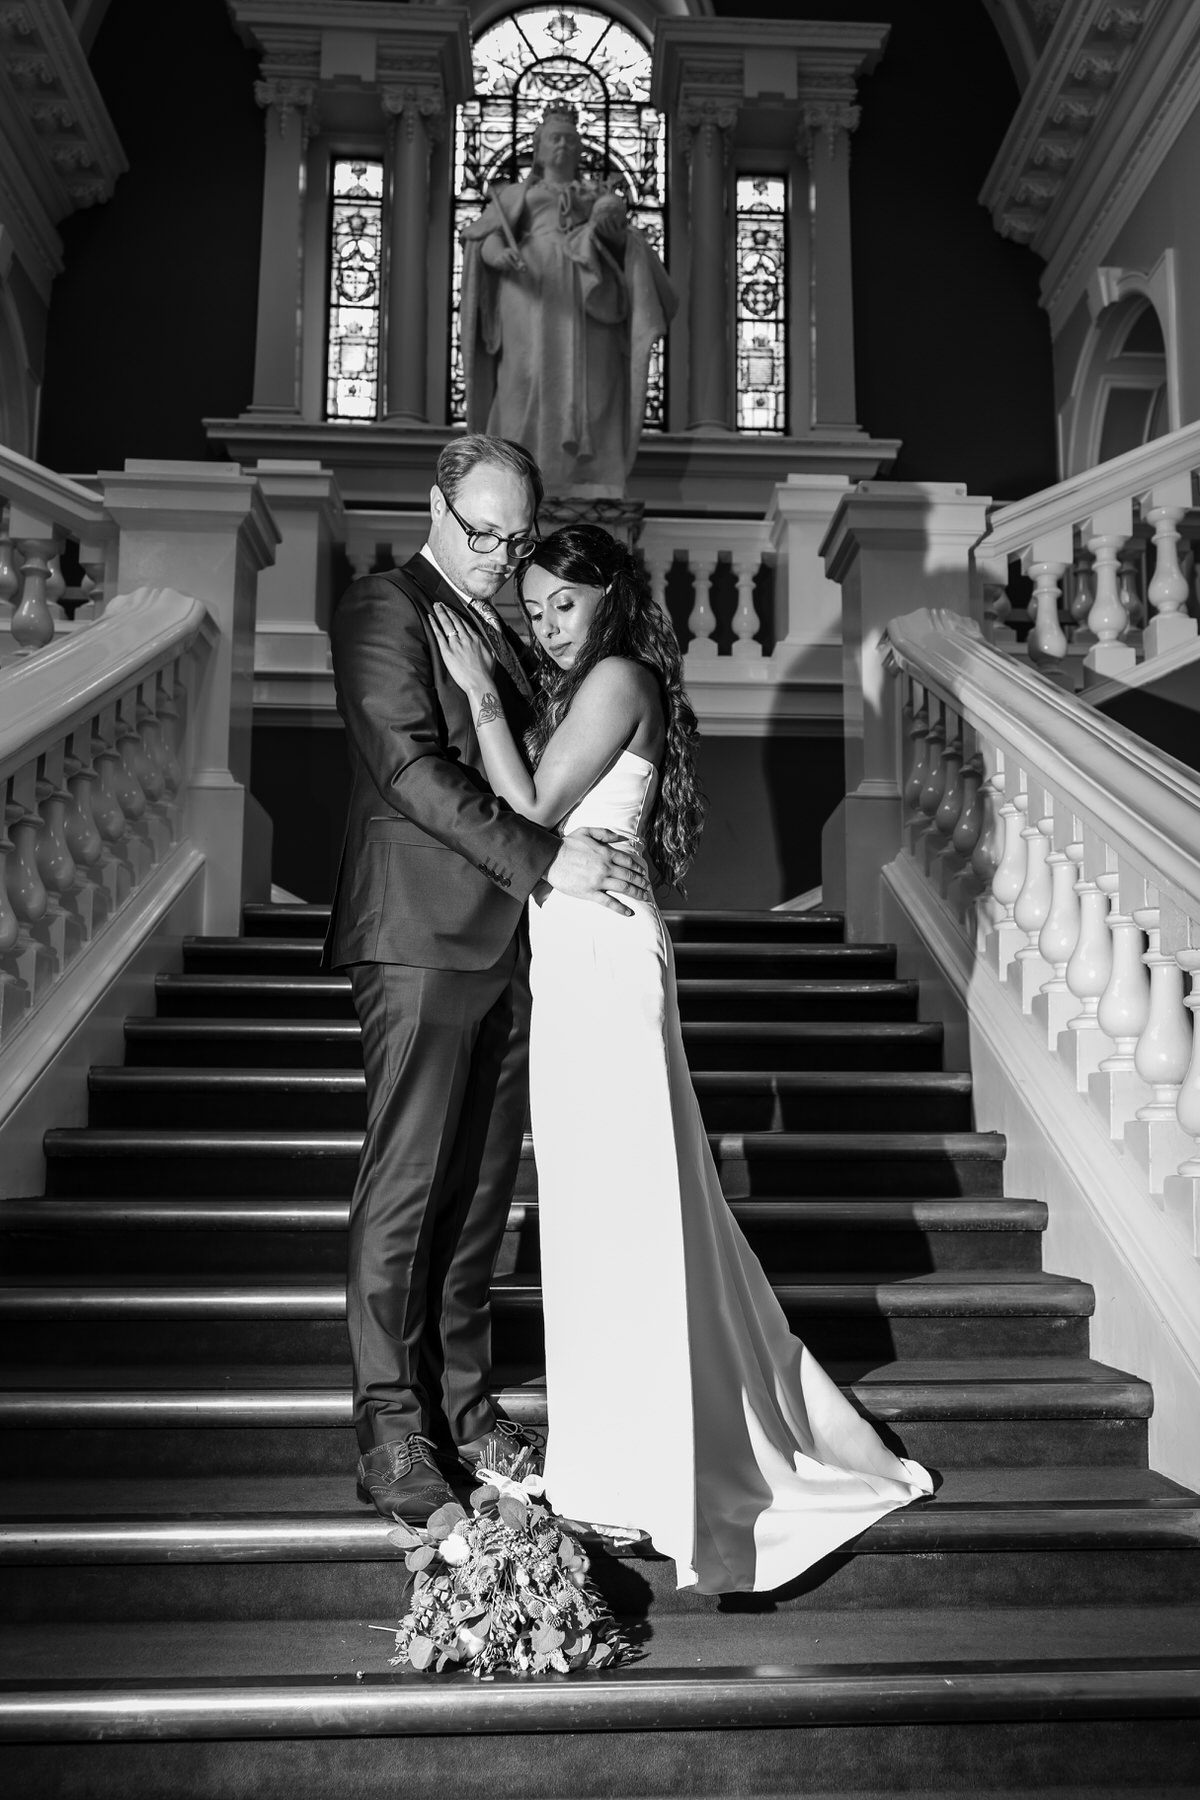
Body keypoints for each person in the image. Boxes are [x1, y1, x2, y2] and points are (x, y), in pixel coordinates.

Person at [430, 524, 934, 1593]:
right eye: (533, 607)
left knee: (629, 1209)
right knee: (592, 1213)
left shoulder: (617, 676)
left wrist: (480, 693)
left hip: (603, 961)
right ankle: (611, 1453)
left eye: (563, 602)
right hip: (571, 959)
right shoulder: (587, 685)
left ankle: (647, 1460)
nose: (545, 624)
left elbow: (526, 809)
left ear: (609, 596)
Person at [324, 437, 652, 1523]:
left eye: (513, 540)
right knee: (410, 1187)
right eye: (482, 532)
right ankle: (390, 1428)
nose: (500, 558)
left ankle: (467, 1411)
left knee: (475, 1204)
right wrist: (546, 859)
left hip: (517, 950)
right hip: (418, 935)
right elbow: (410, 767)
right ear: (435, 504)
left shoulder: (504, 631)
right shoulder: (383, 607)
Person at [460, 104, 675, 499]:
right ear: (539, 150)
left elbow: (618, 238)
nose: (562, 145)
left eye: (570, 140)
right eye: (554, 139)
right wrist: (497, 256)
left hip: (584, 288)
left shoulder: (593, 194)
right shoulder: (516, 194)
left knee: (591, 375)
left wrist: (610, 229)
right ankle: (516, 469)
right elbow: (485, 236)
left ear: (579, 150)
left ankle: (589, 467)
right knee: (525, 372)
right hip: (528, 288)